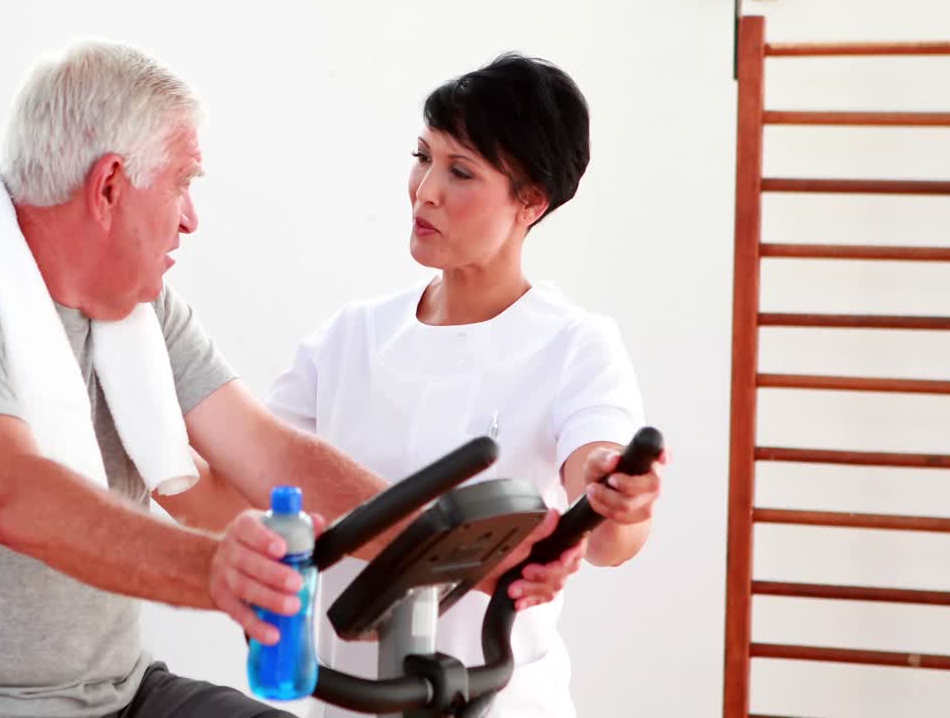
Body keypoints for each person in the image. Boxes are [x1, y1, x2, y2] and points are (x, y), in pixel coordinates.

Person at [0, 40, 573, 718]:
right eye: (182, 183)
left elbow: (272, 458)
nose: (192, 217)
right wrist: (213, 573)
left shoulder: (141, 310)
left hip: (112, 695)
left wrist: (478, 549)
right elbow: (15, 495)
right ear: (108, 188)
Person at [267, 53, 667, 718]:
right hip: (348, 702)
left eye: (460, 172)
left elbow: (604, 537)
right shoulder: (350, 337)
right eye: (422, 156)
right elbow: (246, 474)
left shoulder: (574, 344)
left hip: (499, 700)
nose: (425, 189)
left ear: (531, 200)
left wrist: (617, 499)